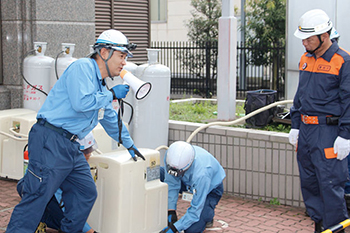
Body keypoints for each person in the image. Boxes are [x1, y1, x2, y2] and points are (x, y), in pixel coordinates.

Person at [6, 29, 145, 233]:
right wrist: (111, 95)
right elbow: (81, 103)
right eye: (121, 56)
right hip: (50, 139)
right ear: (105, 53)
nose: (124, 63)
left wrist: (129, 143)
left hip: (71, 144)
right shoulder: (82, 68)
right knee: (37, 196)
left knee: (85, 192)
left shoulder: (100, 83)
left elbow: (109, 119)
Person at [289, 9, 350, 232]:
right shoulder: (306, 59)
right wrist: (295, 125)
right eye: (303, 38)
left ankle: (335, 228)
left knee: (330, 184)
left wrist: (345, 135)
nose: (304, 42)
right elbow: (300, 95)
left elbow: (349, 101)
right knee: (310, 183)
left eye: (308, 38)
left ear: (324, 36)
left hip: (329, 133)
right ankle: (320, 225)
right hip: (306, 131)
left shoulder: (342, 60)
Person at [32, 132, 97, 233]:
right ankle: (42, 221)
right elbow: (64, 205)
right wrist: (89, 231)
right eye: (85, 152)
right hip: (47, 197)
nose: (88, 155)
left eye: (89, 151)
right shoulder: (59, 167)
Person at [159, 141, 226, 233]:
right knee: (157, 172)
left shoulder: (202, 174)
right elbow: (172, 183)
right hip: (186, 182)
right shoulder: (171, 156)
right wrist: (171, 210)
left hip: (210, 190)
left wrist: (175, 228)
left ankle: (208, 215)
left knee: (192, 230)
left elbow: (195, 210)